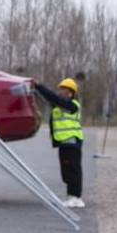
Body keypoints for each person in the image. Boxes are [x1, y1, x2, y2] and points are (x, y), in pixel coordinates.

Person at [33, 77, 85, 208]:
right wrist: (35, 90)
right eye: (59, 89)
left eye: (63, 90)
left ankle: (76, 198)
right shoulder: (60, 105)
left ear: (70, 93)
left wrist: (40, 86)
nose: (60, 92)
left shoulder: (72, 105)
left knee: (73, 170)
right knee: (67, 171)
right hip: (64, 142)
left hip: (72, 141)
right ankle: (71, 197)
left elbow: (52, 97)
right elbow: (49, 99)